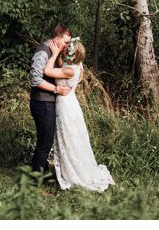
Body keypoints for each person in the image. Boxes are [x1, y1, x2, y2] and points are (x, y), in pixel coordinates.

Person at [48, 39, 115, 192]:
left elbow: (48, 71)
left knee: (68, 138)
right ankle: (71, 168)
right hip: (72, 102)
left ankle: (73, 173)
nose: (65, 48)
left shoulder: (69, 70)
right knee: (73, 136)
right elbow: (63, 65)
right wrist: (60, 55)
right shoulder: (78, 66)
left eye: (67, 48)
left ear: (72, 53)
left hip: (65, 104)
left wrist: (55, 53)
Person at [28, 23, 74, 183]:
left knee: (45, 141)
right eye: (66, 42)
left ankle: (43, 174)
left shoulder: (54, 52)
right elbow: (35, 79)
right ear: (57, 38)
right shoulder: (43, 51)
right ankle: (34, 181)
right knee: (44, 143)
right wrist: (56, 89)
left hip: (47, 103)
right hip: (42, 103)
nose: (67, 45)